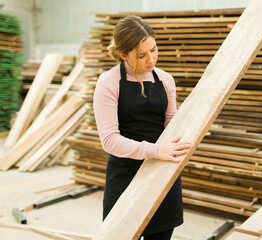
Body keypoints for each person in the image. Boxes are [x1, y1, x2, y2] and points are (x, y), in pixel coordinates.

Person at [93, 15, 191, 240]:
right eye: (142, 55)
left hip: (162, 173)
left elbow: (171, 125)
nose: (151, 59)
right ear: (122, 55)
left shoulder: (165, 80)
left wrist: (181, 142)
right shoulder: (108, 83)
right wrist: (155, 151)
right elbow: (109, 141)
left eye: (154, 50)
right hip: (125, 175)